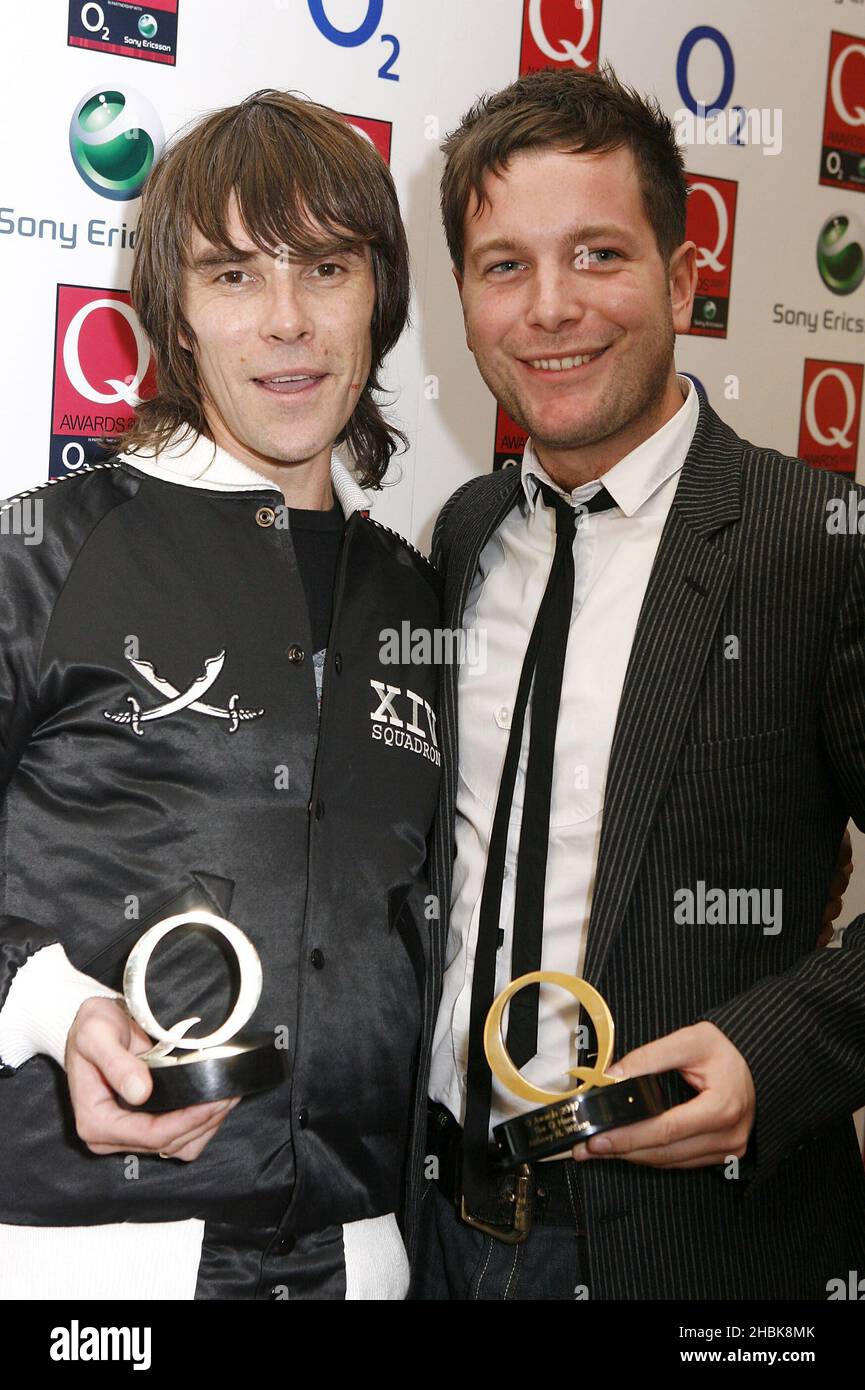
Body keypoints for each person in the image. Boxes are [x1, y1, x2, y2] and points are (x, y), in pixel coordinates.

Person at [409, 64, 865, 1300]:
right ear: (463, 299)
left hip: (698, 1254)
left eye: (597, 254)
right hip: (435, 1229)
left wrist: (784, 1055)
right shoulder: (457, 538)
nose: (550, 307)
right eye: (505, 265)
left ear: (678, 274)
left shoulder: (814, 540)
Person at [0, 90, 441, 1301]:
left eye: (328, 268)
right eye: (235, 276)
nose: (288, 323)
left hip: (363, 1253)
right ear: (178, 318)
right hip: (84, 1262)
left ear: (379, 298)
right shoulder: (41, 554)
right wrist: (47, 1004)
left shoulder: (413, 591)